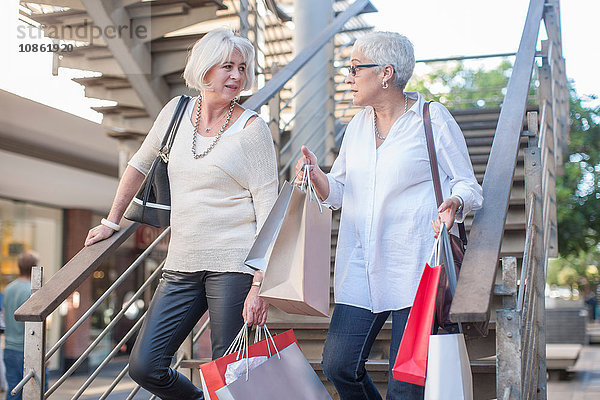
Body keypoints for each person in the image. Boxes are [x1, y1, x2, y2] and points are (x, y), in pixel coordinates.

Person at [84, 29, 278, 400]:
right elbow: (139, 165)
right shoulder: (175, 111)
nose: (237, 76)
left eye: (242, 68)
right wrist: (112, 220)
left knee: (231, 374)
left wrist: (260, 285)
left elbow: (268, 209)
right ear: (204, 69)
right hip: (182, 263)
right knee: (145, 365)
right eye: (227, 67)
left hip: (235, 265)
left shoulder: (252, 129)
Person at [295, 31, 483, 399]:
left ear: (385, 73)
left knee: (406, 387)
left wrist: (455, 203)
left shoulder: (432, 119)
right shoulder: (357, 127)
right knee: (338, 365)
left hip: (415, 268)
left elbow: (470, 185)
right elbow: (342, 192)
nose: (347, 77)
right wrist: (319, 177)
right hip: (361, 267)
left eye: (353, 68)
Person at [3, 251, 42, 400]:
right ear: (34, 268)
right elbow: (35, 325)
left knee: (13, 391)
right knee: (37, 392)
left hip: (9, 349)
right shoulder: (32, 292)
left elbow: (6, 317)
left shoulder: (8, 288)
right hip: (28, 351)